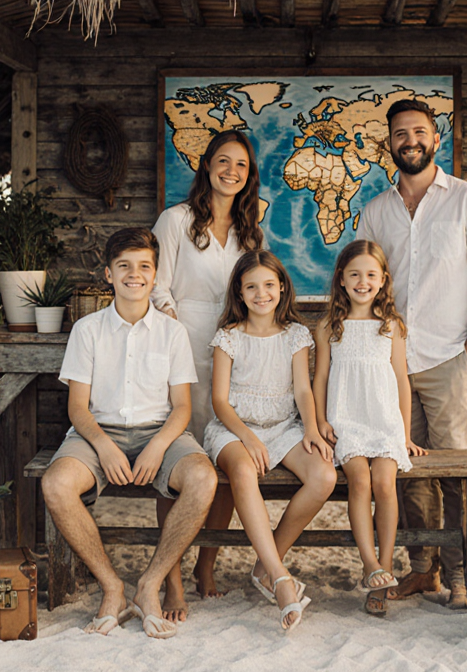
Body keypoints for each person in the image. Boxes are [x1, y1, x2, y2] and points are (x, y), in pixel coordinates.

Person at [357, 98, 467, 609]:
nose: (410, 141)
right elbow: (363, 285)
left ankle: (461, 576)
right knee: (405, 473)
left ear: (435, 138)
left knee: (454, 476)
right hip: (391, 363)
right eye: (400, 134)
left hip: (447, 360)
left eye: (419, 132)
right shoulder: (375, 211)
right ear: (390, 144)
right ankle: (423, 571)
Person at [40, 227, 218, 639]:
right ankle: (113, 587)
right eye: (124, 266)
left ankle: (150, 584)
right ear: (108, 273)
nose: (134, 274)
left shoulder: (173, 333)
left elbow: (182, 408)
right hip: (96, 432)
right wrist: (102, 446)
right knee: (55, 484)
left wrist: (157, 447)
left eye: (143, 267)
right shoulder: (87, 330)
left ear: (155, 275)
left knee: (203, 477)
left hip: (161, 431)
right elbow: (77, 408)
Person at [151, 130, 265, 617]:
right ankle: (171, 577)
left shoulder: (251, 229)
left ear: (248, 174)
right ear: (207, 166)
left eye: (241, 165)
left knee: (224, 460)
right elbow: (157, 288)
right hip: (182, 350)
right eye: (224, 161)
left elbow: (260, 285)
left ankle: (207, 563)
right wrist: (176, 337)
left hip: (235, 355)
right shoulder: (175, 220)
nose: (232, 171)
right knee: (177, 466)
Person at [202, 250, 337, 631]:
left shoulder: (296, 335)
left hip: (283, 426)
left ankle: (266, 562)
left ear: (282, 287)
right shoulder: (228, 337)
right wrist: (246, 437)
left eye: (268, 285)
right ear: (239, 294)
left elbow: (303, 391)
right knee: (243, 472)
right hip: (234, 427)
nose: (261, 294)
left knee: (324, 477)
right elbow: (218, 400)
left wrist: (310, 428)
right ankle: (280, 580)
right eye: (251, 287)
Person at [313, 240, 425, 616]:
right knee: (359, 481)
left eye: (370, 275)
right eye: (354, 274)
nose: (363, 281)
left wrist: (405, 434)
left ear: (383, 280)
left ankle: (387, 565)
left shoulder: (391, 326)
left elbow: (401, 380)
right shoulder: (331, 325)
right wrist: (321, 421)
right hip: (346, 419)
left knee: (384, 482)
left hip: (383, 421)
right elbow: (321, 377)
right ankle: (369, 565)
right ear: (341, 280)